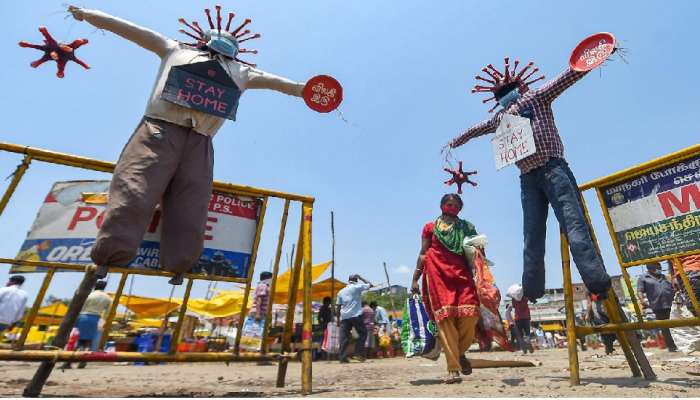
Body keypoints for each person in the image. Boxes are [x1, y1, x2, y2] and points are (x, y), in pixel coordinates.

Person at [66, 6, 315, 285]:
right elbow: (133, 30)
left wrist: (305, 89)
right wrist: (88, 14)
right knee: (134, 192)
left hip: (201, 142)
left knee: (191, 205)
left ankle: (180, 264)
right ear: (203, 36)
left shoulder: (242, 72)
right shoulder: (174, 49)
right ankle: (109, 256)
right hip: (157, 131)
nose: (225, 42)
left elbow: (279, 83)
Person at [447, 56, 613, 302]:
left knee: (550, 229)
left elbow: (567, 78)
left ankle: (574, 282)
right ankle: (577, 282)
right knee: (559, 226)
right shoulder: (516, 109)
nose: (505, 97)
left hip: (547, 171)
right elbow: (568, 76)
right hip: (538, 174)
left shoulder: (523, 105)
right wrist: (595, 57)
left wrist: (455, 141)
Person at [411, 193, 480, 384]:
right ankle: (453, 369)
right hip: (437, 275)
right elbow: (423, 253)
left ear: (461, 208)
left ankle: (459, 352)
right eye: (449, 204)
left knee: (470, 316)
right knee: (446, 319)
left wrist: (480, 252)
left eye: (456, 205)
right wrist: (415, 279)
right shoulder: (430, 228)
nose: (452, 207)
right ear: (442, 205)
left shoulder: (467, 227)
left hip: (462, 276)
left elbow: (478, 252)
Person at [64, 280, 112, 369]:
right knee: (88, 342)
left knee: (75, 340)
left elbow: (80, 307)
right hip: (95, 319)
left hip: (82, 317)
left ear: (95, 286)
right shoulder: (108, 298)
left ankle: (68, 362)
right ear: (104, 287)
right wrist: (102, 322)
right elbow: (107, 313)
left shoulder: (89, 295)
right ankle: (83, 361)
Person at [637, 262, 677, 352]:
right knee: (665, 327)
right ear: (650, 267)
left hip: (671, 304)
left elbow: (672, 287)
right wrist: (642, 300)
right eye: (658, 267)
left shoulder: (664, 276)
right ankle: (671, 346)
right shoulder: (643, 278)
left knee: (675, 325)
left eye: (660, 266)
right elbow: (639, 290)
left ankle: (679, 343)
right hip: (657, 306)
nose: (660, 268)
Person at [336, 274, 373, 363]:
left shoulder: (341, 292)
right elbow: (370, 284)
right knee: (363, 333)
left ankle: (342, 357)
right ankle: (358, 353)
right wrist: (361, 277)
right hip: (356, 315)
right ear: (356, 280)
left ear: (348, 281)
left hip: (344, 316)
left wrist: (338, 319)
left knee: (344, 337)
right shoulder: (357, 287)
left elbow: (338, 306)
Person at [586, 290, 616, 355]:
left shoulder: (589, 289)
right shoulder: (605, 286)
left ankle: (609, 349)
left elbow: (589, 303)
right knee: (610, 330)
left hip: (598, 309)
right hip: (609, 307)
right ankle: (609, 348)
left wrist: (588, 314)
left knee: (604, 330)